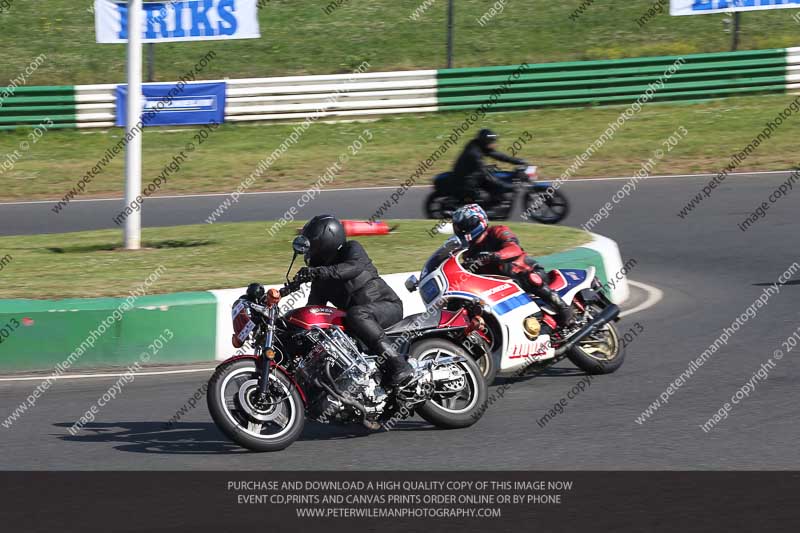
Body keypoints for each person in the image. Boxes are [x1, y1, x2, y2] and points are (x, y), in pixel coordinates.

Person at [295, 214, 415, 387]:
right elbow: (313, 309)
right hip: (358, 320)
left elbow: (351, 268)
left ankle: (399, 365)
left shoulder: (351, 249)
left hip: (387, 307)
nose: (310, 251)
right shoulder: (321, 279)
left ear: (326, 241)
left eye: (313, 245)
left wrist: (319, 272)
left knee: (357, 314)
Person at [451, 204, 575, 327]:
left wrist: (494, 256)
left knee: (521, 273)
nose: (463, 230)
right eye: (460, 227)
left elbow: (514, 249)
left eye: (466, 226)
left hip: (528, 272)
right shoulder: (468, 252)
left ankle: (562, 307)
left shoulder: (497, 231)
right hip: (502, 287)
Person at [450, 128, 528, 206]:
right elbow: (486, 176)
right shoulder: (474, 154)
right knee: (485, 196)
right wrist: (507, 186)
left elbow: (498, 155)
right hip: (466, 182)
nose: (494, 144)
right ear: (485, 142)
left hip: (473, 174)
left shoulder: (479, 145)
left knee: (495, 180)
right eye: (492, 142)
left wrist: (518, 161)